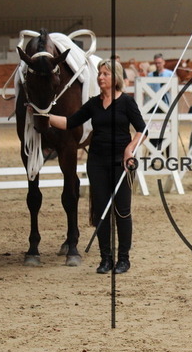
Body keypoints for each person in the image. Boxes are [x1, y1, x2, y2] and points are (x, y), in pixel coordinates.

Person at [48, 59, 146, 274]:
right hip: (97, 163)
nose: (100, 77)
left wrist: (130, 149)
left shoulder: (127, 102)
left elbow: (142, 130)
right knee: (101, 211)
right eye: (100, 74)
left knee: (122, 211)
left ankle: (123, 259)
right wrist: (44, 116)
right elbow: (69, 122)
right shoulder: (93, 103)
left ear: (115, 77)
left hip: (121, 163)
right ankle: (105, 259)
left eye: (105, 74)